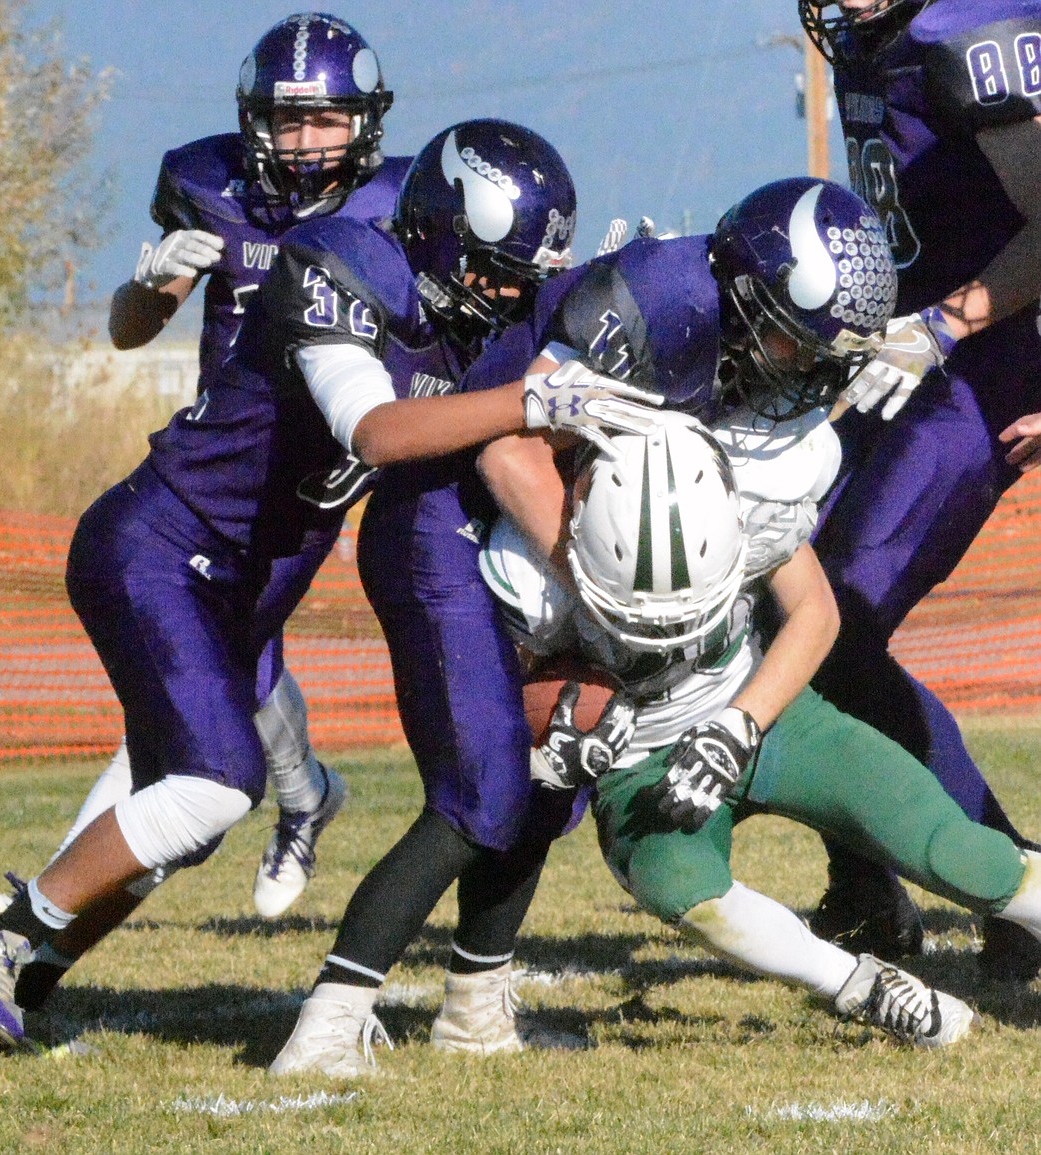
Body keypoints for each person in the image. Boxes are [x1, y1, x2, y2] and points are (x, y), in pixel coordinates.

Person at [0, 118, 642, 1055]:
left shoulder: (468, 310)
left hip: (245, 576)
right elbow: (376, 431)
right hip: (161, 544)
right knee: (218, 781)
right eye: (496, 268)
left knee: (172, 807)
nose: (509, 293)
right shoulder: (338, 263)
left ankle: (23, 977)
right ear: (435, 230)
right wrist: (533, 400)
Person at [265, 177, 892, 1075]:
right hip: (450, 521)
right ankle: (330, 1019)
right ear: (751, 295)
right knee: (482, 788)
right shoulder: (653, 306)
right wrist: (610, 597)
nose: (805, 368)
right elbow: (508, 448)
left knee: (559, 763)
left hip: (538, 533)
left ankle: (476, 1006)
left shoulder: (729, 327)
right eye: (800, 339)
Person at [0, 14, 411, 939]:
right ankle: (288, 807)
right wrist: (149, 281)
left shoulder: (397, 207)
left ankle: (51, 904)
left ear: (365, 123)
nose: (305, 143)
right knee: (200, 706)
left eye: (327, 122)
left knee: (205, 708)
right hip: (211, 476)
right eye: (287, 123)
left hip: (301, 500)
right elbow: (130, 329)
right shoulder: (209, 186)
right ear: (253, 123)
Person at [479, 413, 1041, 1048]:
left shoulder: (753, 495)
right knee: (677, 883)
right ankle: (862, 987)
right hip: (645, 760)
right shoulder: (529, 570)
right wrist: (559, 741)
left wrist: (739, 725)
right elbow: (503, 702)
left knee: (954, 852)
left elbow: (815, 613)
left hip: (768, 716)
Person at [795, 0, 1041, 976]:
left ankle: (1010, 882)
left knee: (837, 617)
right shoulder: (865, 33)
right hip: (895, 355)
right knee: (784, 607)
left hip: (981, 364)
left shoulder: (970, 33)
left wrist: (951, 320)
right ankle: (867, 890)